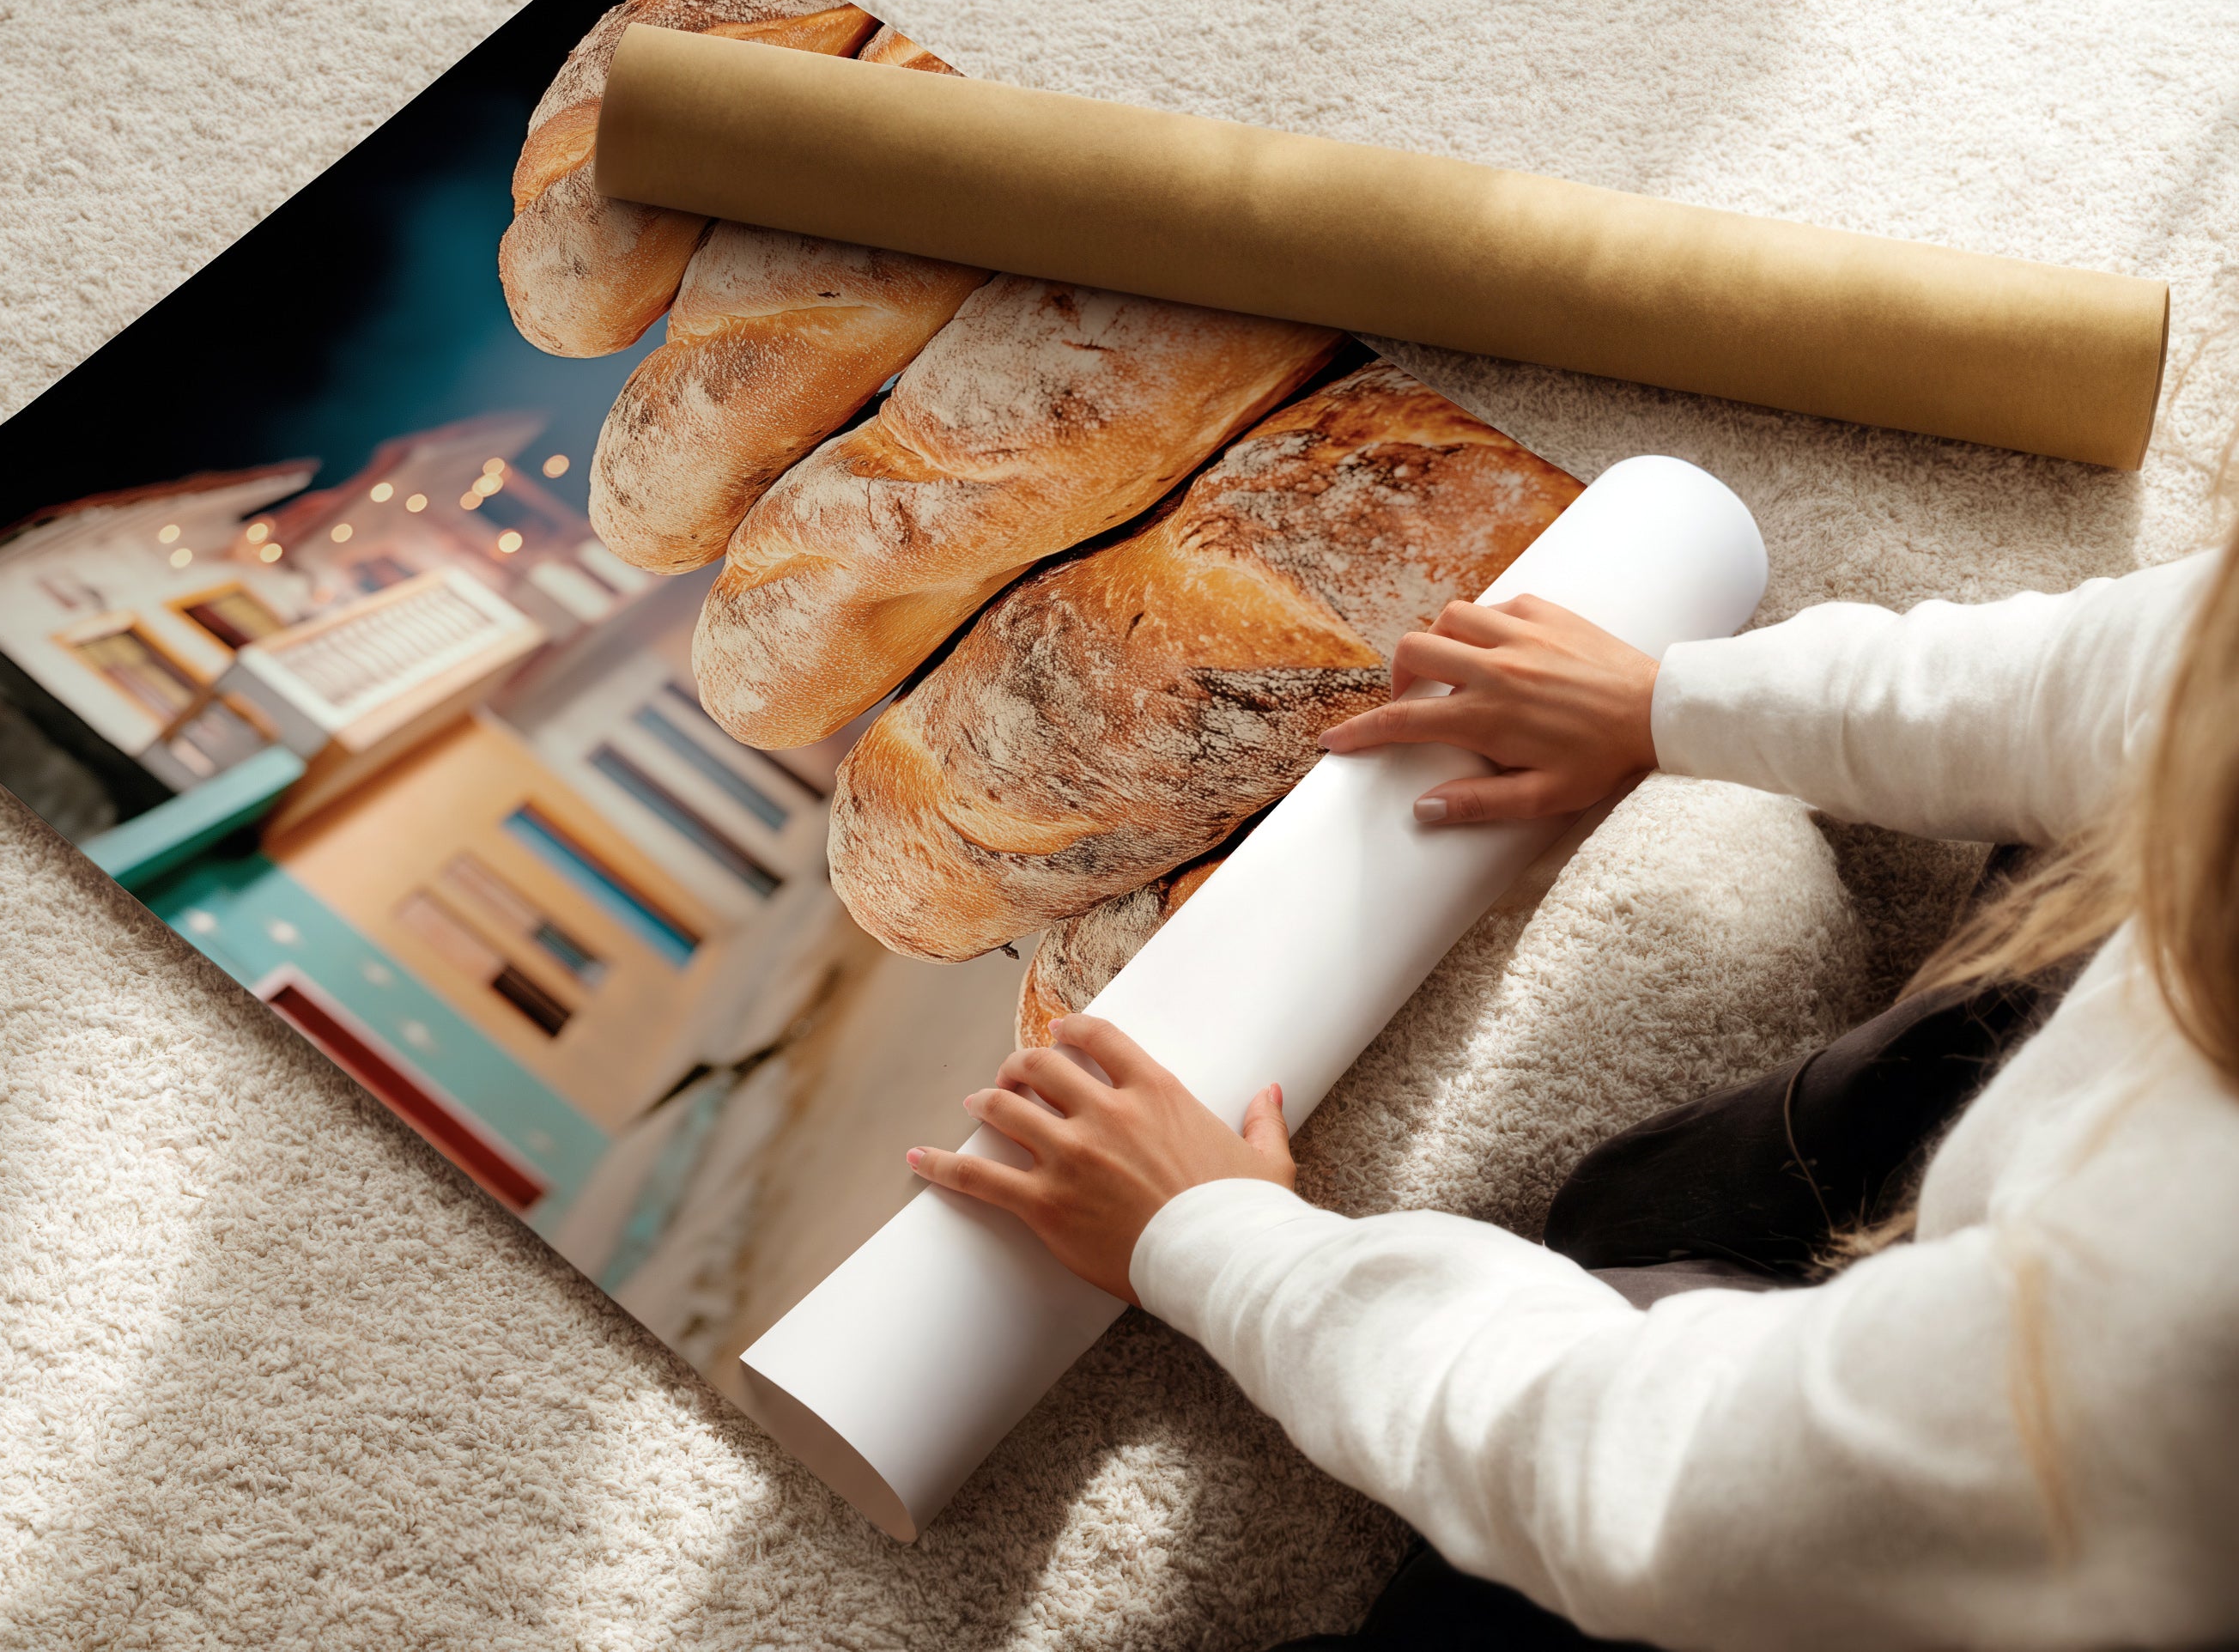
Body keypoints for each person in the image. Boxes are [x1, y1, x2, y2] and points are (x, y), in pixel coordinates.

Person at [907, 545, 2239, 1649]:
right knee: (1648, 1200)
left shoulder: (2175, 1324)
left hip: (2030, 1524)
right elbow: (2137, 673)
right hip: (2051, 1232)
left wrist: (1220, 1243)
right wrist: (1667, 702)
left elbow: (1668, 1482)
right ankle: (1742, 1224)